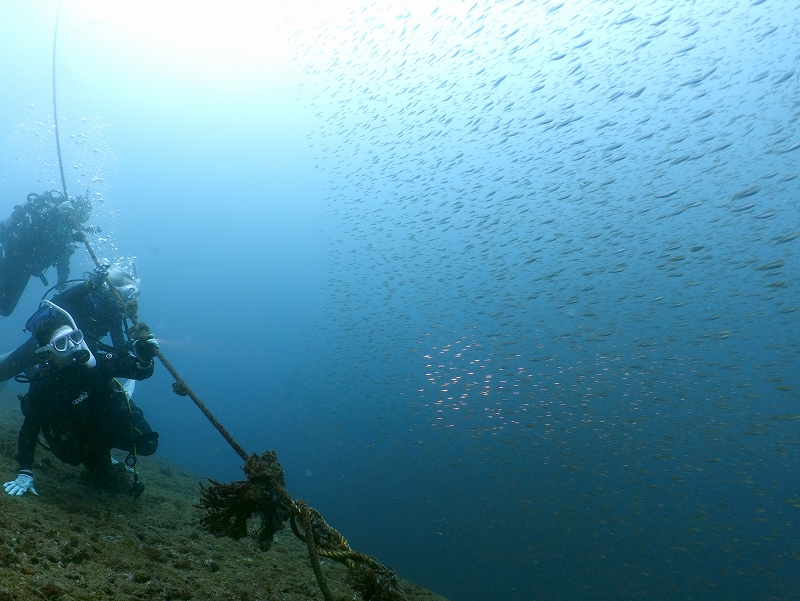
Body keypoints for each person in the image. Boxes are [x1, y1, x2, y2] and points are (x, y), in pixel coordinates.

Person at [3, 299, 159, 497]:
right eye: (60, 344)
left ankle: (105, 450)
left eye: (74, 337)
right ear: (47, 354)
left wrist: (144, 360)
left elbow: (139, 371)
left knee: (148, 444)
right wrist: (25, 471)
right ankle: (29, 367)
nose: (72, 347)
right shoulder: (43, 388)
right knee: (93, 473)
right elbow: (29, 429)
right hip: (86, 439)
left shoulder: (98, 362)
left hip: (107, 424)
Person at [0, 262, 139, 382]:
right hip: (49, 344)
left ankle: (29, 367)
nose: (130, 299)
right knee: (5, 371)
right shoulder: (87, 293)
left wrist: (132, 346)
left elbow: (119, 348)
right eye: (128, 293)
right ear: (113, 289)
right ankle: (26, 365)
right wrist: (90, 285)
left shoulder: (114, 313)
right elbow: (61, 300)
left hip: (75, 356)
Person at [0, 190, 92, 316]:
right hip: (10, 253)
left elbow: (63, 259)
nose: (79, 220)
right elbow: (35, 222)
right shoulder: (51, 207)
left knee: (5, 309)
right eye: (79, 215)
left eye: (82, 218)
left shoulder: (67, 233)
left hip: (25, 269)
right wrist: (56, 211)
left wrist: (62, 281)